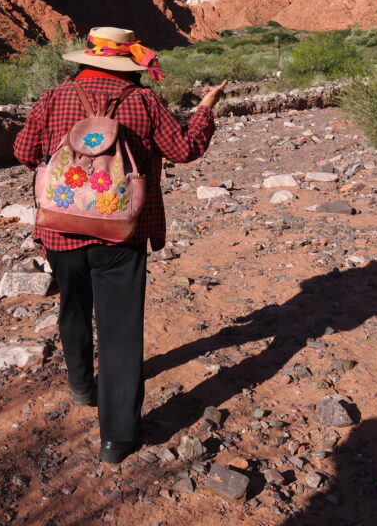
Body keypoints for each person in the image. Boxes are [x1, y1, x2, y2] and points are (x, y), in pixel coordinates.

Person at [13, 26, 225, 464]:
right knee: (120, 330)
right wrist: (205, 107)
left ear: (86, 59)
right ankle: (118, 438)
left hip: (60, 226)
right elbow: (184, 148)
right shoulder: (144, 101)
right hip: (121, 232)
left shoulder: (55, 97)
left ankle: (81, 387)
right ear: (129, 63)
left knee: (72, 305)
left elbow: (23, 150)